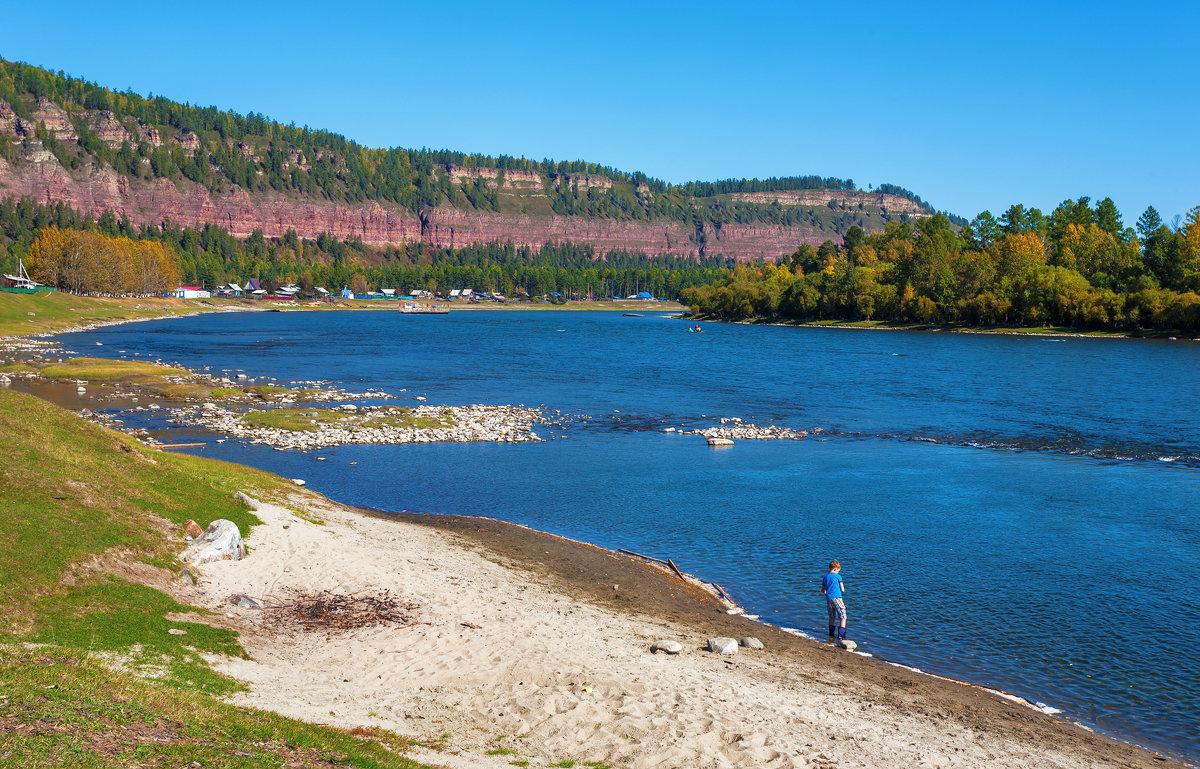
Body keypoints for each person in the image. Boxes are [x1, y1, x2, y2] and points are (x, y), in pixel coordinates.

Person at [821, 559, 847, 645]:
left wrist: (827, 593)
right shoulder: (838, 576)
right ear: (835, 569)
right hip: (837, 598)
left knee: (832, 616)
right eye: (838, 571)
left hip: (828, 598)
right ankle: (841, 637)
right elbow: (843, 590)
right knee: (843, 616)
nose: (838, 572)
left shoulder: (825, 577)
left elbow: (823, 590)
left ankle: (831, 635)